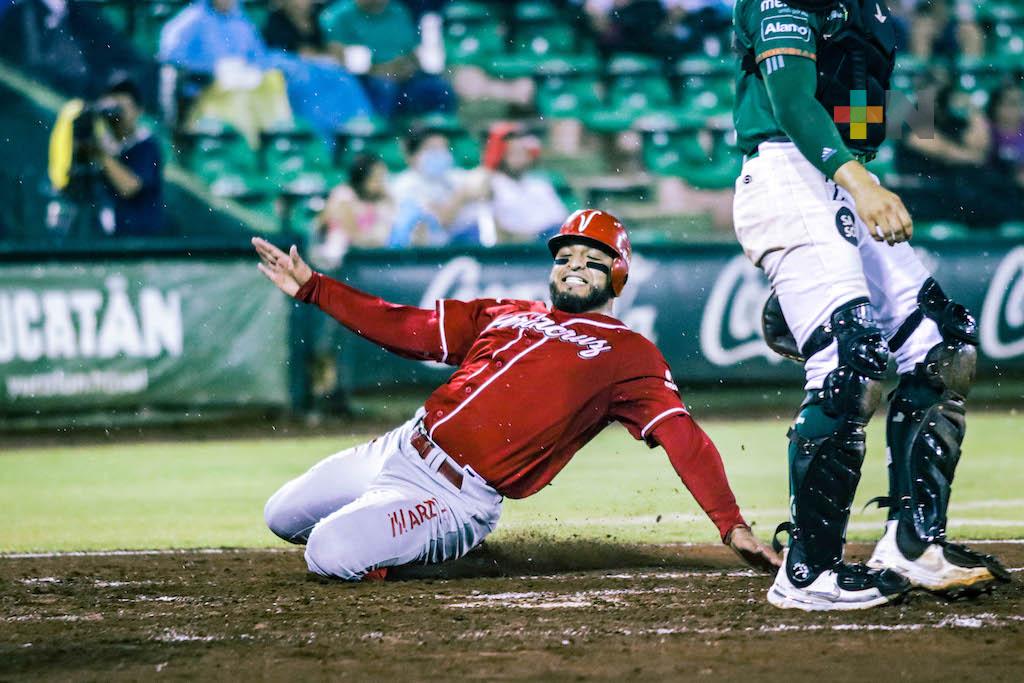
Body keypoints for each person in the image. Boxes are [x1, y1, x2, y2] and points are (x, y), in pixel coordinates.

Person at [255, 209, 782, 581]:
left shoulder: (631, 354)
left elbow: (681, 436)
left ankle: (417, 546)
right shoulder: (510, 313)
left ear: (617, 273)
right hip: (398, 449)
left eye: (591, 257)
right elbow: (409, 329)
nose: (574, 264)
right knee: (280, 515)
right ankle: (385, 530)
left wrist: (730, 525)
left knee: (329, 553)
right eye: (565, 256)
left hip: (452, 498)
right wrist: (315, 288)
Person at [732, 0, 1010, 610]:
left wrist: (926, 116)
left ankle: (913, 546)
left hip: (839, 177)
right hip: (789, 171)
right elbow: (791, 100)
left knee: (939, 344)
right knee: (847, 362)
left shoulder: (876, 13)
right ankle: (807, 573)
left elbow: (863, 109)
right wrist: (861, 184)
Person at [319, 0, 455, 118]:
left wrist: (407, 67)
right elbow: (337, 62)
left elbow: (413, 53)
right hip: (365, 80)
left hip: (402, 76)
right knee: (384, 88)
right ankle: (382, 138)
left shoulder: (398, 11)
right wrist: (382, 70)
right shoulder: (337, 16)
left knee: (437, 87)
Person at [388, 126, 489, 246]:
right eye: (433, 149)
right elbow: (440, 219)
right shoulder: (403, 185)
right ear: (412, 155)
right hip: (428, 255)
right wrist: (461, 197)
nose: (441, 154)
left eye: (444, 148)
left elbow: (483, 186)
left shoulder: (452, 176)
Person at [482, 122, 567, 243]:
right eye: (513, 153)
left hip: (549, 239)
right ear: (501, 154)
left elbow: (561, 218)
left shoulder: (539, 183)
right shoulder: (491, 183)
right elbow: (495, 230)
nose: (519, 158)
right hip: (518, 246)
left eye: (522, 153)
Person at [315, 153, 395, 265]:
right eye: (376, 178)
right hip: (341, 255)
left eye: (382, 177)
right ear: (362, 178)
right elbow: (354, 236)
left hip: (367, 252)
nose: (381, 182)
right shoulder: (343, 196)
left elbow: (387, 231)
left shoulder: (382, 197)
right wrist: (375, 240)